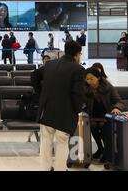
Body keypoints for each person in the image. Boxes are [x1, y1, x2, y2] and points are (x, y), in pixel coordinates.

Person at [38, 41, 85, 171]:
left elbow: (34, 76)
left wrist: (41, 94)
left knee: (46, 141)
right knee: (62, 142)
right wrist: (77, 110)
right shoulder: (78, 69)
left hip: (46, 110)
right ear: (77, 54)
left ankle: (45, 168)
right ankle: (59, 168)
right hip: (65, 112)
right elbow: (77, 93)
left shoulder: (50, 64)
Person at [83, 67, 123, 163]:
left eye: (91, 79)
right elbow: (81, 102)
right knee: (93, 127)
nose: (89, 81)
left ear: (98, 78)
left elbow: (118, 101)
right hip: (92, 115)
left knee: (104, 128)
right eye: (87, 79)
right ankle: (100, 148)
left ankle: (106, 151)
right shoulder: (84, 88)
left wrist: (116, 107)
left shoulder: (108, 87)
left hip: (107, 115)